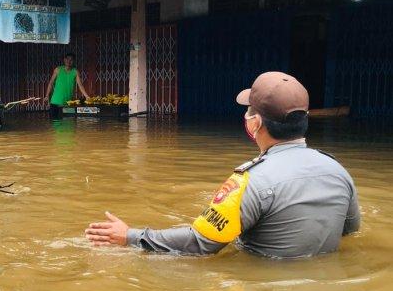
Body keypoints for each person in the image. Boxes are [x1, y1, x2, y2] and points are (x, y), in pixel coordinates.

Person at [85, 71, 361, 258]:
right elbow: (349, 230)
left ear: (257, 123)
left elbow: (201, 244)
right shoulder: (338, 170)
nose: (247, 116)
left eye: (249, 111)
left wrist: (131, 237)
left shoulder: (249, 180)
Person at [44, 53, 90, 119]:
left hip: (69, 103)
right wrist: (47, 95)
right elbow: (51, 82)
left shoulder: (75, 71)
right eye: (67, 59)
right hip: (55, 102)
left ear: (73, 61)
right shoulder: (58, 70)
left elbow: (80, 85)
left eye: (71, 60)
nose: (69, 61)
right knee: (55, 124)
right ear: (64, 60)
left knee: (69, 123)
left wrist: (86, 96)